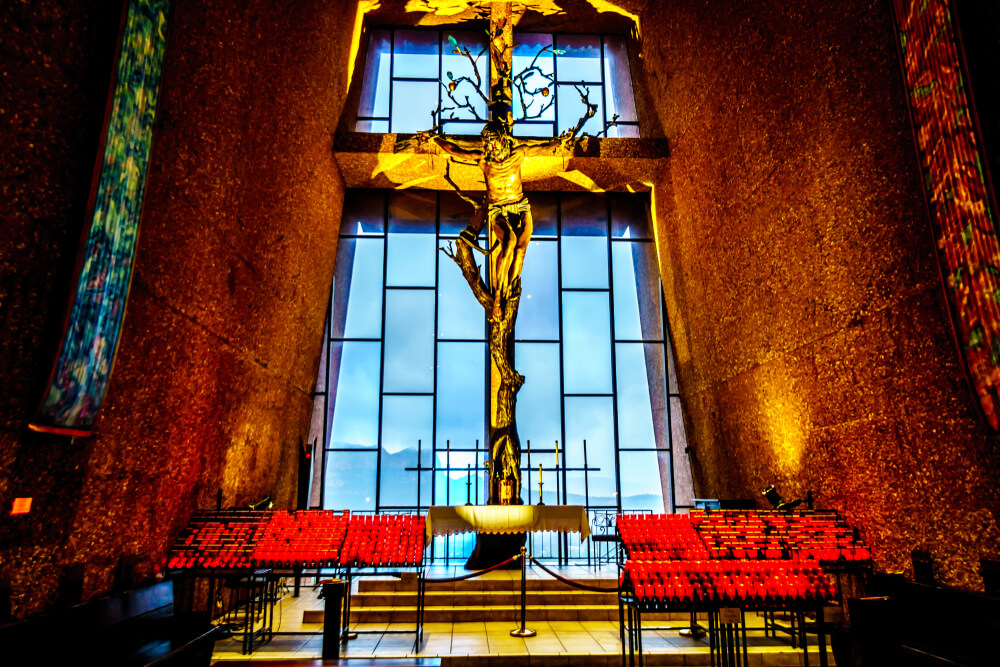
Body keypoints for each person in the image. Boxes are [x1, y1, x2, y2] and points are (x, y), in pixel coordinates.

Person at [418, 121, 574, 302]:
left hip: (520, 205)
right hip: (498, 209)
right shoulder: (483, 159)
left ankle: (510, 286)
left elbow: (542, 148)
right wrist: (435, 139)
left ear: (502, 139)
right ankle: (498, 294)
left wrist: (560, 142)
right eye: (486, 143)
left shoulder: (518, 153)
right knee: (509, 243)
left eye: (493, 142)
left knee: (520, 251)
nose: (489, 147)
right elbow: (455, 149)